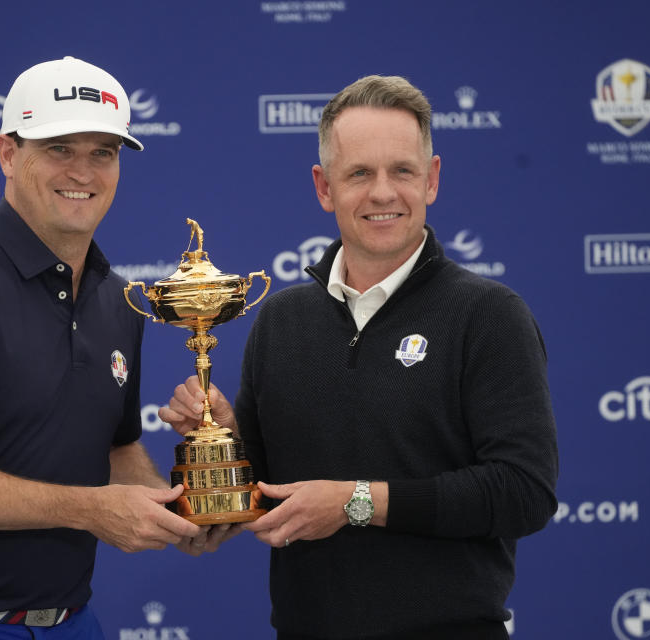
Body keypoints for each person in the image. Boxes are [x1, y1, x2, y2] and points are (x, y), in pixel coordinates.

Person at [160, 75, 559, 639]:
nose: (382, 193)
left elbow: (524, 493)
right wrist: (223, 439)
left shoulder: (488, 315)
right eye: (359, 174)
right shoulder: (281, 320)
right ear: (324, 187)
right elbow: (271, 487)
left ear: (432, 179)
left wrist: (358, 502)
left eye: (402, 170)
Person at [0, 56, 223, 640]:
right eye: (60, 148)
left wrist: (179, 509)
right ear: (7, 153)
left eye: (103, 152)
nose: (83, 171)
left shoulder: (119, 300)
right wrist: (90, 509)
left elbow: (117, 450)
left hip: (71, 623)